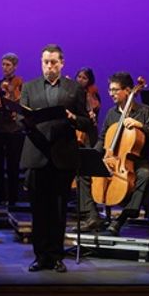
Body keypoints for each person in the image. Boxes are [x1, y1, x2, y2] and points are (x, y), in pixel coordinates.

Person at [20, 44, 95, 273]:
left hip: (62, 156)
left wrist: (73, 118)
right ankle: (40, 257)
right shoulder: (29, 87)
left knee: (59, 210)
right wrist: (24, 121)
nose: (49, 66)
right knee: (38, 210)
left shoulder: (74, 89)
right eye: (45, 62)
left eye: (53, 62)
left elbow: (86, 122)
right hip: (37, 154)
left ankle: (56, 257)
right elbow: (20, 120)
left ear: (62, 63)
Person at [100, 72, 149, 236]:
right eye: (110, 90)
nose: (111, 93)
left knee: (144, 175)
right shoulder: (111, 114)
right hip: (114, 161)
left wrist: (141, 126)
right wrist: (96, 155)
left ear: (128, 91)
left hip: (139, 161)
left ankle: (123, 217)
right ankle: (94, 218)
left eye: (115, 90)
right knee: (89, 175)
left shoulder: (145, 111)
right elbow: (102, 139)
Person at [0, 52, 25, 208]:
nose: (4, 68)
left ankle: (12, 198)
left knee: (13, 165)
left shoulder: (20, 84)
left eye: (8, 65)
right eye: (3, 64)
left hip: (14, 129)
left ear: (15, 66)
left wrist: (12, 100)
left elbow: (22, 105)